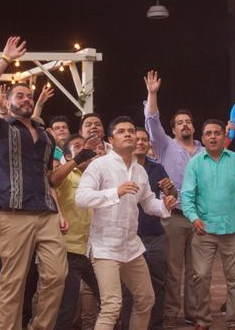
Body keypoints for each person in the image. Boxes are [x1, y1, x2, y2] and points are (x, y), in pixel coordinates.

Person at [0, 36, 68, 330]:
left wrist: (60, 209)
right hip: (14, 216)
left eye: (29, 96)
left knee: (57, 275)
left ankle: (40, 326)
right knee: (13, 283)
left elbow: (48, 178)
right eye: (20, 96)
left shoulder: (46, 136)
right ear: (7, 102)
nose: (26, 99)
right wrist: (5, 59)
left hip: (46, 213)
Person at [76, 116, 177, 330]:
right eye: (122, 131)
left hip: (131, 247)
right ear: (110, 140)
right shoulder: (100, 166)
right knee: (112, 306)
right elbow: (81, 198)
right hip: (105, 247)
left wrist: (166, 204)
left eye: (131, 130)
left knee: (146, 299)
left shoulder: (139, 171)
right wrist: (116, 192)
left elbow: (149, 203)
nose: (129, 134)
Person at [143, 71, 203, 326]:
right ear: (173, 128)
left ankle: (193, 313)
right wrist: (152, 93)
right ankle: (169, 314)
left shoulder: (203, 150)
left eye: (188, 121)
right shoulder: (165, 145)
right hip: (175, 217)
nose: (185, 125)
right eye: (180, 122)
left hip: (200, 218)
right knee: (173, 271)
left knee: (197, 272)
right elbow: (151, 120)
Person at [181, 120, 235, 330]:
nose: (212, 137)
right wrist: (193, 217)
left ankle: (234, 320)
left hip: (233, 229)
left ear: (224, 137)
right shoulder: (195, 163)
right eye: (208, 134)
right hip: (204, 229)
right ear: (202, 138)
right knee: (200, 276)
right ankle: (202, 320)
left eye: (217, 133)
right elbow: (186, 195)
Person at [120, 128, 176, 330]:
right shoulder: (121, 168)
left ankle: (156, 325)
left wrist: (170, 190)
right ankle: (127, 325)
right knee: (128, 287)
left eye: (145, 139)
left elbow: (171, 196)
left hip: (155, 235)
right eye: (138, 138)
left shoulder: (157, 168)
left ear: (149, 144)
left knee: (159, 283)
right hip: (129, 236)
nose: (141, 142)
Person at [51, 134, 102, 330]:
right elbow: (51, 181)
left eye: (85, 147)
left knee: (109, 297)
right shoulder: (65, 175)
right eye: (77, 147)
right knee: (67, 307)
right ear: (67, 155)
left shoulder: (96, 177)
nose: (84, 150)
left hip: (92, 250)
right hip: (68, 250)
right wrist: (77, 160)